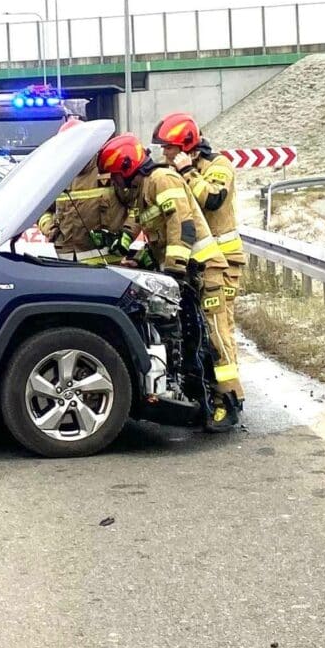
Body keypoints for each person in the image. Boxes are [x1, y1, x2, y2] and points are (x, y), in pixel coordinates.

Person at [97, 133, 242, 432]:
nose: (115, 183)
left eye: (115, 176)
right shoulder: (145, 188)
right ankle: (204, 398)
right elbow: (153, 235)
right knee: (192, 339)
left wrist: (175, 270)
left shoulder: (162, 180)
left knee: (214, 337)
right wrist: (134, 257)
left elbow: (182, 226)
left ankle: (228, 402)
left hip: (204, 270)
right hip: (188, 273)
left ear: (126, 168)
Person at [152, 113, 245, 408]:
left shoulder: (219, 166)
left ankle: (230, 396)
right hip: (198, 263)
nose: (165, 153)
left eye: (169, 147)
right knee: (202, 328)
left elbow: (214, 200)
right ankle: (211, 389)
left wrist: (188, 171)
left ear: (186, 146)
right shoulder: (171, 169)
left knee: (220, 328)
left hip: (224, 262)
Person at [37, 119, 134, 264]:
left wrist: (127, 235)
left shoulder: (108, 170)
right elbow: (40, 210)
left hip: (108, 264)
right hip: (67, 263)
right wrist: (49, 228)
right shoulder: (57, 177)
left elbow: (136, 207)